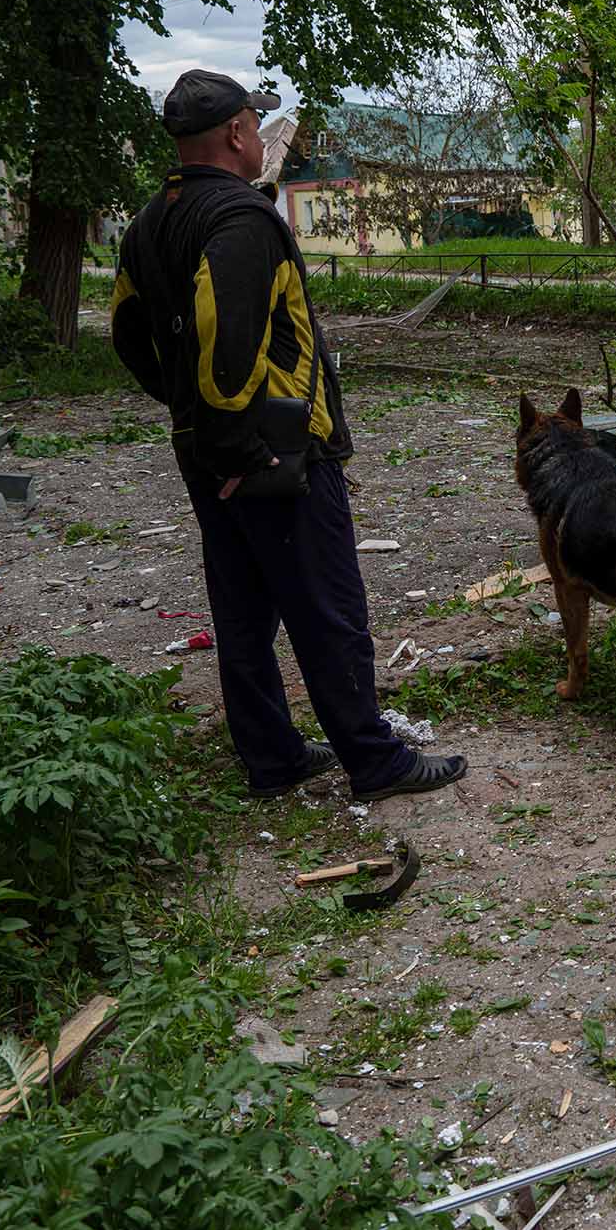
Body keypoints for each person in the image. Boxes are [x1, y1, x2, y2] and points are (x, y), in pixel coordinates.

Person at [111, 69, 466, 803]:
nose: (260, 133)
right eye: (255, 121)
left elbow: (127, 332)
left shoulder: (150, 221)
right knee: (328, 605)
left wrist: (184, 411)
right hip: (275, 455)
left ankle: (272, 757)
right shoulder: (242, 220)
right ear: (239, 133)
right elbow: (223, 338)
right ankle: (375, 760)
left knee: (243, 609)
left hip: (206, 451)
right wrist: (241, 445)